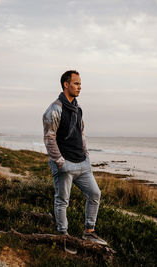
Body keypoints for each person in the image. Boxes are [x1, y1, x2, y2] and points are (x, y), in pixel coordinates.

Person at [42, 70, 107, 246]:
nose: (80, 87)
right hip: (65, 164)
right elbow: (49, 138)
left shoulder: (78, 109)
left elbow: (81, 133)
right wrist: (60, 162)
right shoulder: (55, 109)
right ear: (66, 84)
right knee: (62, 200)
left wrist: (86, 155)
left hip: (82, 163)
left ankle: (89, 232)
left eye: (80, 84)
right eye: (76, 83)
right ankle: (63, 236)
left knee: (95, 193)